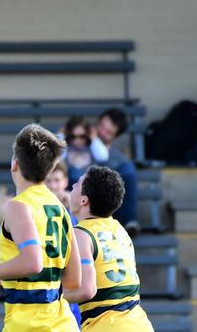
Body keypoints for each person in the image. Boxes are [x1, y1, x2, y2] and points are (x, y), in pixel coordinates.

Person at [0, 124, 81, 331]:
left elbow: (33, 262)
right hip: (63, 324)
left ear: (14, 163)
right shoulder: (60, 209)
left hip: (29, 324)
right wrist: (6, 277)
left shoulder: (17, 206)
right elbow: (74, 280)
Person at [64, 166, 154, 331]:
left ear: (84, 200)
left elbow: (86, 291)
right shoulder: (120, 229)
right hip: (140, 323)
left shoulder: (81, 233)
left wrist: (56, 298)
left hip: (107, 324)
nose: (72, 187)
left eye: (76, 184)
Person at [45, 160, 82, 327]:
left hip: (73, 283)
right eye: (48, 181)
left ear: (66, 181)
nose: (53, 186)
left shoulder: (78, 210)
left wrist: (73, 210)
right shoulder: (35, 209)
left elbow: (82, 240)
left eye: (57, 180)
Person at [96, 109, 139, 236]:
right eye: (102, 126)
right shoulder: (83, 136)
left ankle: (129, 222)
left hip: (106, 191)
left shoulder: (116, 156)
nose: (102, 132)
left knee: (128, 170)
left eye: (108, 132)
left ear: (115, 136)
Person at [61, 116, 109, 187]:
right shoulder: (67, 147)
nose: (77, 140)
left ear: (87, 134)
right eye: (73, 137)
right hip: (71, 186)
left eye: (81, 136)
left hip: (90, 184)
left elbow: (103, 157)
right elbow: (58, 156)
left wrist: (94, 138)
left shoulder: (92, 147)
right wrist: (62, 135)